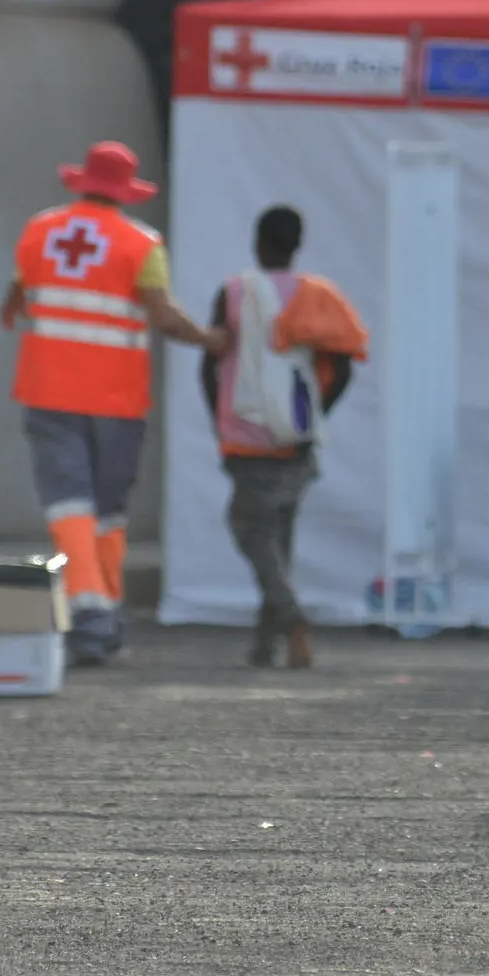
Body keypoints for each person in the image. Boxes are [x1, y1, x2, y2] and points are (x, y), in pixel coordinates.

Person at [0, 141, 229, 666]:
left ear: (82, 182)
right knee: (106, 510)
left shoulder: (40, 230)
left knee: (68, 506)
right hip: (116, 400)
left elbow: (17, 293)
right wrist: (213, 341)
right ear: (125, 192)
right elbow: (165, 318)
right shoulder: (141, 244)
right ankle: (100, 615)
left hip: (49, 389)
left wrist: (14, 309)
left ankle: (96, 613)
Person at [199, 206, 368, 669]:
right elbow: (345, 367)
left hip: (246, 438)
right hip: (296, 439)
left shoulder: (234, 293)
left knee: (251, 530)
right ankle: (265, 645)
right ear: (297, 245)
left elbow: (210, 366)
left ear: (258, 241)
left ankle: (291, 620)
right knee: (279, 542)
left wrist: (220, 421)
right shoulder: (318, 296)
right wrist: (314, 416)